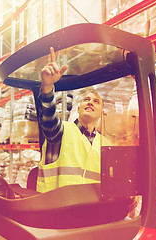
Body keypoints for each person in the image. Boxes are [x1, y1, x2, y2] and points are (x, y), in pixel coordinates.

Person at [36, 47, 111, 193]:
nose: (90, 102)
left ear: (102, 113)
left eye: (96, 101)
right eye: (86, 100)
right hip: (55, 207)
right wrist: (47, 87)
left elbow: (111, 179)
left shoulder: (106, 144)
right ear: (78, 108)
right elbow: (48, 114)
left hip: (91, 209)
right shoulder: (61, 131)